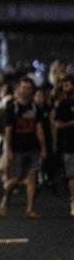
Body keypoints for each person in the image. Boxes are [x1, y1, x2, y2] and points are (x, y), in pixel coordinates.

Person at [0, 77, 45, 219]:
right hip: (17, 148)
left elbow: (39, 127)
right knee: (17, 178)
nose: (26, 91)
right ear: (18, 89)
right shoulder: (11, 107)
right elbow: (8, 130)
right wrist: (8, 149)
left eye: (28, 88)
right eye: (23, 88)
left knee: (32, 177)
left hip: (32, 147)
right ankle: (5, 198)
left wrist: (43, 147)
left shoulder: (34, 107)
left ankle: (30, 208)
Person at [53, 76, 74, 217]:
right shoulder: (62, 104)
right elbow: (58, 124)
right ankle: (73, 201)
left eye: (68, 84)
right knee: (72, 175)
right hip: (69, 143)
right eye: (64, 85)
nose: (65, 87)